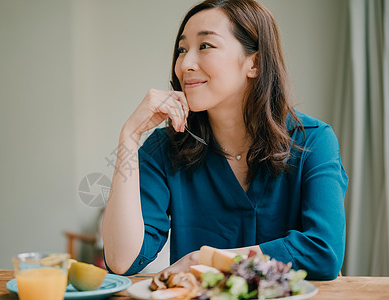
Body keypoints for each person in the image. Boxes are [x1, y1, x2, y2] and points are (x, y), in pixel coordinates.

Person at [102, 0, 348, 280]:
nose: (185, 64)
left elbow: (323, 251)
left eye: (205, 46)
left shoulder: (314, 141)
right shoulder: (164, 148)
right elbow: (122, 261)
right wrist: (129, 137)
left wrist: (208, 260)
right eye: (182, 50)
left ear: (253, 63)